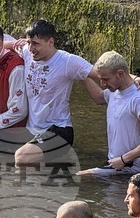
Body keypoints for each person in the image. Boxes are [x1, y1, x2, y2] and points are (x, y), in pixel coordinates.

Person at [13, 19, 105, 167]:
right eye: (29, 42)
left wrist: (135, 78)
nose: (30, 48)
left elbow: (102, 72)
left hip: (60, 129)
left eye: (35, 44)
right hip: (33, 129)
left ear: (50, 42)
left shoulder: (67, 61)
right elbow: (5, 44)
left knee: (21, 158)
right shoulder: (27, 51)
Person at [77, 51, 140, 176]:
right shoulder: (113, 92)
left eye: (105, 79)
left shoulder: (138, 99)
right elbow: (99, 97)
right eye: (100, 79)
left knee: (80, 177)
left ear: (120, 74)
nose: (103, 84)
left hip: (132, 165)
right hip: (116, 163)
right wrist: (80, 73)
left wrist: (123, 159)